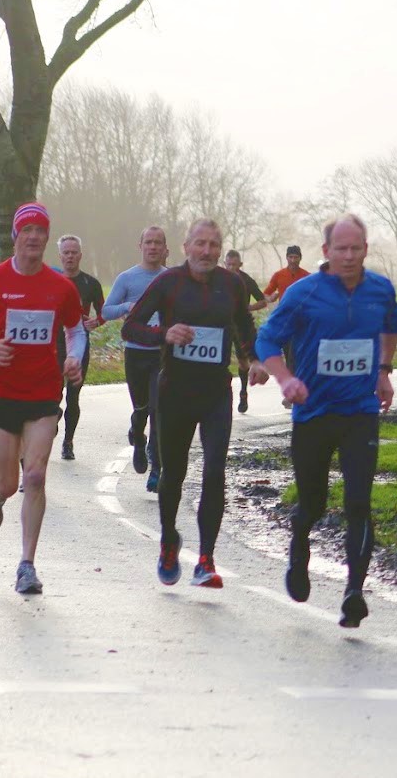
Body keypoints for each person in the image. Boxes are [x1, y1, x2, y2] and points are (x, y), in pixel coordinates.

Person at [255, 213, 397, 629]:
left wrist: (383, 370)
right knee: (313, 504)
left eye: (357, 248)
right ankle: (299, 548)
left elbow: (392, 324)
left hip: (360, 412)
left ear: (366, 250)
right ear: (326, 252)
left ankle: (354, 593)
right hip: (314, 413)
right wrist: (285, 379)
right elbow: (267, 338)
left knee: (359, 502)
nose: (349, 256)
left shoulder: (380, 290)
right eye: (341, 248)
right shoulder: (304, 293)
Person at [123, 219, 268, 589]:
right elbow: (131, 326)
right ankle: (169, 539)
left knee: (215, 471)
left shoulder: (232, 284)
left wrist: (253, 359)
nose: (207, 251)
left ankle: (206, 558)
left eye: (214, 244)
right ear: (185, 247)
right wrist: (163, 334)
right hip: (174, 392)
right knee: (173, 474)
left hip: (216, 393)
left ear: (220, 249)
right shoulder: (169, 282)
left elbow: (243, 326)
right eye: (200, 244)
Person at [0, 202, 85, 595]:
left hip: (43, 391)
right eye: (26, 230)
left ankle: (27, 564)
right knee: (11, 483)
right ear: (15, 236)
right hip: (0, 392)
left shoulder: (61, 287)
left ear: (46, 237)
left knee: (37, 476)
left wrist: (74, 357)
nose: (33, 237)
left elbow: (76, 330)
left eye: (40, 231)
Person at [103, 227, 168, 491]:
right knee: (141, 408)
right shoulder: (127, 278)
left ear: (165, 248)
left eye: (158, 243)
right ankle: (138, 439)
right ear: (140, 245)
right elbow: (107, 310)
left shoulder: (171, 278)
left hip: (162, 354)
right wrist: (128, 307)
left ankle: (157, 467)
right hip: (135, 352)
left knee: (158, 410)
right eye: (148, 242)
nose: (153, 247)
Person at [54, 235, 105, 459]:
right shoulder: (52, 280)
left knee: (73, 396)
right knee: (53, 395)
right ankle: (52, 419)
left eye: (74, 252)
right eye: (66, 252)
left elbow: (104, 310)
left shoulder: (90, 284)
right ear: (60, 256)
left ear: (80, 255)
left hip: (79, 344)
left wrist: (97, 321)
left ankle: (68, 442)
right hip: (54, 344)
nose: (70, 256)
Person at [265, 245, 311, 406]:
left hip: (301, 322)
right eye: (290, 257)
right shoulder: (279, 275)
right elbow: (267, 293)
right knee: (289, 356)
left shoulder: (307, 276)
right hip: (285, 322)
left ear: (300, 258)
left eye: (296, 257)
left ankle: (292, 393)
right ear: (286, 258)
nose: (293, 260)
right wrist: (271, 298)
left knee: (294, 356)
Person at [224, 249, 267, 413]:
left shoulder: (247, 281)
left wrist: (248, 307)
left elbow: (262, 301)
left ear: (240, 265)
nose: (231, 268)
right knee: (222, 362)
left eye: (235, 265)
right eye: (229, 265)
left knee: (243, 362)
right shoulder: (218, 278)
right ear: (224, 264)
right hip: (223, 325)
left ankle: (243, 391)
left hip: (241, 326)